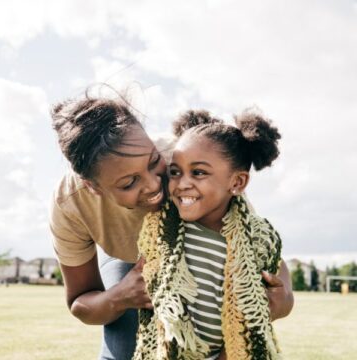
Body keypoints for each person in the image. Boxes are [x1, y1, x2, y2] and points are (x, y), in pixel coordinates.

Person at [49, 92, 293, 360]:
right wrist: (120, 296)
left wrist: (283, 299)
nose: (155, 185)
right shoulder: (70, 203)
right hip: (128, 261)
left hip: (190, 265)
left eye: (155, 163)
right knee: (123, 349)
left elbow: (252, 252)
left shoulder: (188, 162)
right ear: (92, 186)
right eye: (129, 183)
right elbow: (80, 302)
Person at [134, 109, 292, 360]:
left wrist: (286, 299)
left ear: (237, 183)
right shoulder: (164, 231)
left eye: (198, 172)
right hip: (171, 351)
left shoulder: (253, 237)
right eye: (175, 172)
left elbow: (277, 273)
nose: (182, 183)